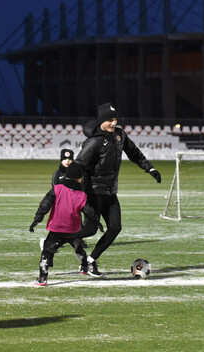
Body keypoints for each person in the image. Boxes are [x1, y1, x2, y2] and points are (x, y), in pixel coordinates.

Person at [74, 102, 162, 277]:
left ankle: (89, 262)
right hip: (93, 191)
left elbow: (134, 153)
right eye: (109, 120)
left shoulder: (120, 135)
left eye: (115, 120)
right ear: (101, 121)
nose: (113, 123)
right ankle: (53, 239)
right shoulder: (94, 141)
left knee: (115, 228)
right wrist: (73, 186)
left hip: (110, 191)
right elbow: (80, 164)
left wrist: (149, 168)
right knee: (90, 230)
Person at [29, 162, 99, 286]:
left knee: (47, 251)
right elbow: (89, 212)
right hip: (74, 230)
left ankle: (42, 278)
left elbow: (44, 205)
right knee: (79, 248)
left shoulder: (57, 189)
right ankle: (84, 267)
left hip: (56, 229)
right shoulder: (81, 195)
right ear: (79, 179)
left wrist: (37, 220)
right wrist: (97, 223)